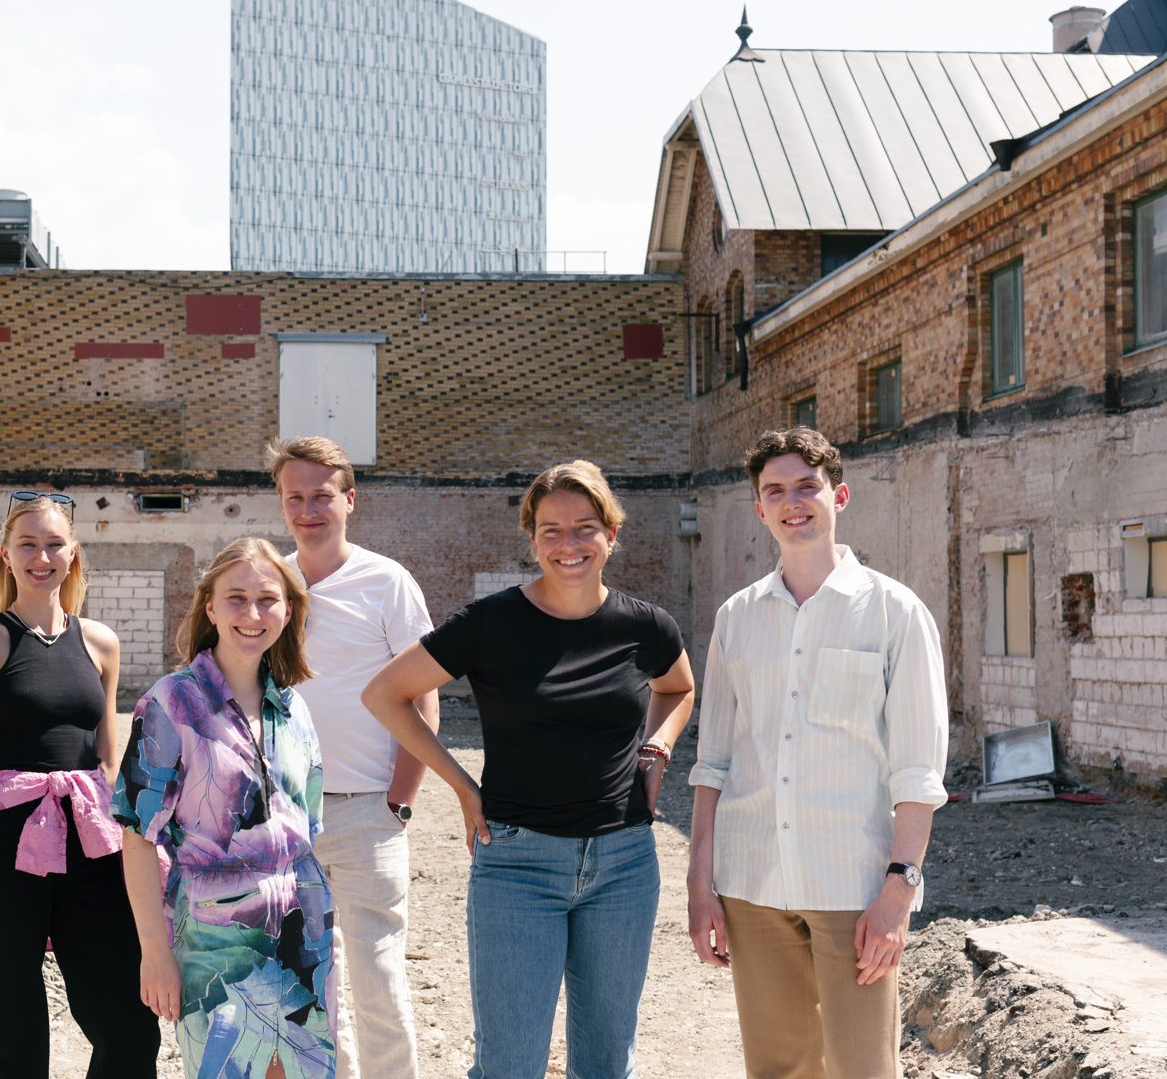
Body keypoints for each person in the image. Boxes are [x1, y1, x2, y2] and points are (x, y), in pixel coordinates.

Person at [364, 460, 696, 1079]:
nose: (568, 545)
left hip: (624, 865)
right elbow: (386, 693)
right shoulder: (491, 624)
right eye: (551, 530)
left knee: (605, 1063)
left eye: (585, 528)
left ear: (612, 535)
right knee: (509, 1065)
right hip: (517, 866)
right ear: (532, 538)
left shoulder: (645, 625)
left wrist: (658, 749)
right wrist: (463, 787)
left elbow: (679, 689)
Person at [686, 427, 949, 1079]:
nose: (792, 501)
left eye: (807, 486)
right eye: (774, 490)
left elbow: (918, 770)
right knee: (779, 1069)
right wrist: (699, 882)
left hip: (854, 889)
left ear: (840, 495)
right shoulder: (736, 619)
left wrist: (900, 889)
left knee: (863, 1068)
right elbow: (713, 762)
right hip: (752, 885)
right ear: (759, 509)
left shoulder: (896, 613)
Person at [0, 491, 159, 1078]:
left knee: (127, 1019)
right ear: (6, 555)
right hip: (4, 847)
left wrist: (132, 858)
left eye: (54, 544)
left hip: (92, 845)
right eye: (28, 544)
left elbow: (109, 762)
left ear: (73, 553)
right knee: (3, 1020)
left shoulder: (101, 643)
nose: (42, 556)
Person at [113, 537, 335, 1079]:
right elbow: (138, 840)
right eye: (236, 598)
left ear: (289, 610)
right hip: (215, 949)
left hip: (304, 937)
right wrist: (154, 952)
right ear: (209, 606)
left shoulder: (295, 707)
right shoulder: (170, 703)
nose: (252, 614)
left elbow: (307, 829)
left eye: (267, 599)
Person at [266, 436, 436, 1079]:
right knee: (306, 986)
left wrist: (399, 800)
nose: (309, 510)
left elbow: (422, 699)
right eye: (295, 498)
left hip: (368, 812)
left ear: (350, 500)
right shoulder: (271, 584)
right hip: (284, 818)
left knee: (379, 982)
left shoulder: (387, 582)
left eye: (322, 496)